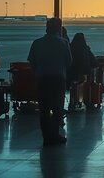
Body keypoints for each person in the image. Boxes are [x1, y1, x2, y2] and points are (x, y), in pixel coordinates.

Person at [28, 18, 72, 146]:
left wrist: (38, 72)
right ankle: (54, 134)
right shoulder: (63, 43)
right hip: (58, 78)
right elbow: (69, 62)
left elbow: (31, 60)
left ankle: (46, 137)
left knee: (44, 109)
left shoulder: (37, 43)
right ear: (59, 28)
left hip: (42, 78)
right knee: (57, 107)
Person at [68, 33, 97, 109]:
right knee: (88, 78)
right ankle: (88, 99)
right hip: (84, 74)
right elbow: (93, 62)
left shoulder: (70, 48)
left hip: (72, 73)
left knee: (74, 83)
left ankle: (73, 100)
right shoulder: (85, 49)